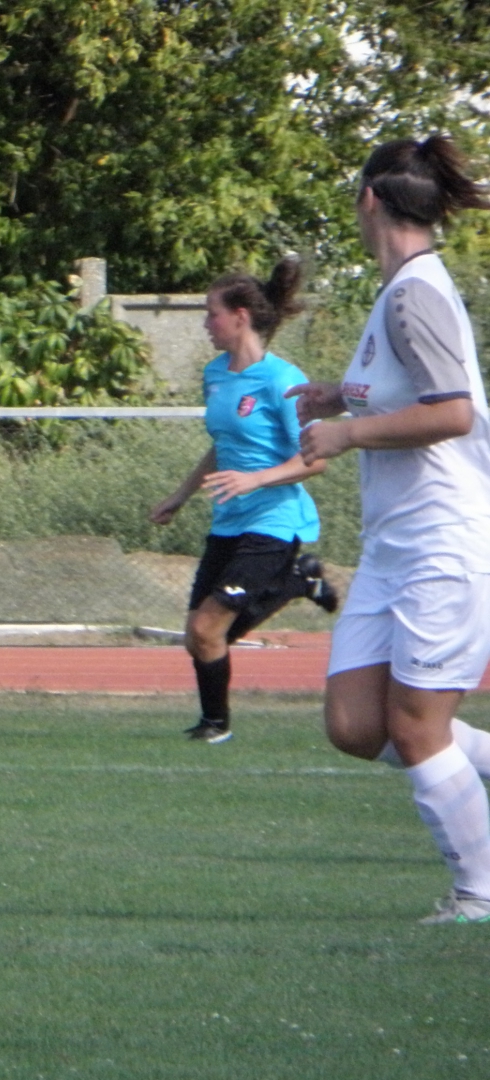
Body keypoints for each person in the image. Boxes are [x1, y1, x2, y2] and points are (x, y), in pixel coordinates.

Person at [288, 134, 490, 924]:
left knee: (414, 728)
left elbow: (453, 412)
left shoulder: (414, 295)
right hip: (393, 549)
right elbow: (408, 391)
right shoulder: (398, 290)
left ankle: (478, 895)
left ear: (369, 199)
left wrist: (346, 434)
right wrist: (340, 396)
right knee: (354, 723)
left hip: (444, 540)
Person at [150, 257, 339, 743]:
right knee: (199, 635)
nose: (205, 323)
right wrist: (180, 495)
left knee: (207, 631)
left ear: (240, 317)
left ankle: (215, 726)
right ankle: (301, 581)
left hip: (275, 521)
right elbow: (224, 444)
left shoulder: (281, 379)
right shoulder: (215, 374)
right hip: (228, 520)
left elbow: (315, 460)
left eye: (211, 313)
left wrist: (256, 479)